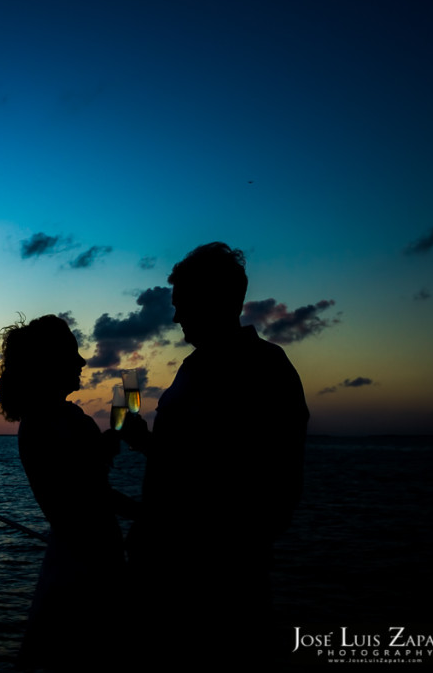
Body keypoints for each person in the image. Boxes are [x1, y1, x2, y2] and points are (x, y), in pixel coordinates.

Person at [120, 242, 309, 669]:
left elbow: (268, 486)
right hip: (164, 575)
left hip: (212, 590)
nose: (175, 317)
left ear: (214, 300)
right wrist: (145, 443)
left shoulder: (264, 370)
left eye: (181, 303)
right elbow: (193, 460)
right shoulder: (194, 367)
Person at [0, 314, 138, 671]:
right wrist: (152, 514)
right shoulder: (50, 421)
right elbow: (87, 493)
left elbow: (77, 472)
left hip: (73, 554)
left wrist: (109, 440)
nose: (81, 361)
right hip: (86, 565)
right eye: (72, 353)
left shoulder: (49, 418)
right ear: (50, 362)